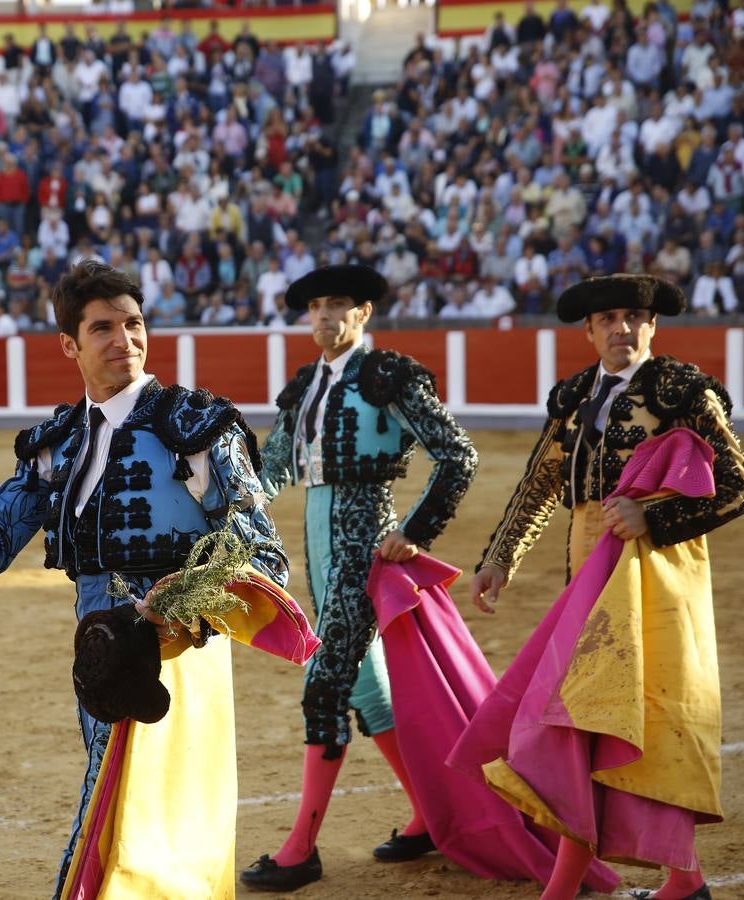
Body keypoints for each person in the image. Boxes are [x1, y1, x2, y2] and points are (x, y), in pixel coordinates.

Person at [0, 260, 291, 898]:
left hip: (180, 653)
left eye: (134, 323)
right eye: (103, 328)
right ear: (70, 345)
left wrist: (168, 611)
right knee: (110, 800)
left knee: (163, 814)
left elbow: (262, 556)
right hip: (97, 648)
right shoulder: (56, 443)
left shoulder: (197, 428)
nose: (124, 340)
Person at [459, 274, 744, 900]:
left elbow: (738, 485)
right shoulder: (572, 396)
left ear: (652, 326)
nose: (621, 327)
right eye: (607, 319)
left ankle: (601, 885)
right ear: (589, 330)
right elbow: (541, 483)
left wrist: (655, 516)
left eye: (633, 317)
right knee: (583, 722)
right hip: (586, 570)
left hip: (654, 580)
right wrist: (499, 558)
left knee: (627, 720)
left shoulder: (681, 391)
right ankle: (683, 880)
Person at [241, 265, 479, 890]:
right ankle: (430, 815)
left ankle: (301, 849)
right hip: (319, 538)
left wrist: (417, 531)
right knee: (366, 689)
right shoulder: (304, 387)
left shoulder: (387, 375)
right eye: (315, 306)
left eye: (338, 305)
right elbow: (269, 473)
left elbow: (457, 454)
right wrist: (223, 510)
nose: (324, 316)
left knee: (325, 685)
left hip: (364, 536)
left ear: (363, 312)